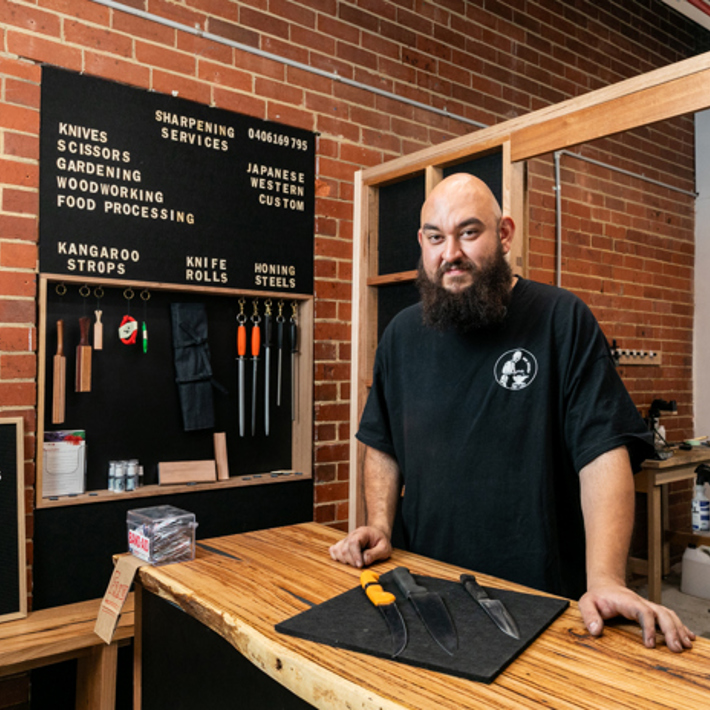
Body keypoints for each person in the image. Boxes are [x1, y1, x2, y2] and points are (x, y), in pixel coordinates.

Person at [330, 173, 695, 653]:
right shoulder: (400, 335)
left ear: (504, 234)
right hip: (425, 583)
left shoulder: (561, 319)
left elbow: (602, 451)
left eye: (468, 232)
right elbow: (381, 442)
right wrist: (379, 524)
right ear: (422, 243)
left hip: (541, 594)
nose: (451, 252)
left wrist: (605, 578)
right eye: (436, 238)